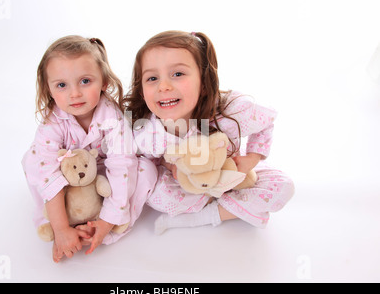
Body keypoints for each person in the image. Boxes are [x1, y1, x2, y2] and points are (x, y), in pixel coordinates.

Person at [121, 30, 294, 234]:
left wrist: (251, 159)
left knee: (284, 186)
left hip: (232, 175)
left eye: (177, 74)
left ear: (203, 83)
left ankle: (208, 215)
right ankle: (216, 204)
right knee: (157, 194)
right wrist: (172, 165)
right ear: (142, 90)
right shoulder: (149, 131)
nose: (164, 86)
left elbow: (266, 123)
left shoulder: (229, 111)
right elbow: (150, 159)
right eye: (152, 78)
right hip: (193, 186)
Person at [22, 35, 156, 262]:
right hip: (68, 183)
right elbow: (48, 176)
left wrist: (106, 220)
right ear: (50, 88)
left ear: (103, 81)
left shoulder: (112, 118)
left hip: (100, 179)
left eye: (85, 81)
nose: (74, 93)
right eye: (62, 85)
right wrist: (62, 229)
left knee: (146, 169)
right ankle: (56, 224)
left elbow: (122, 166)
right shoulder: (52, 123)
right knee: (31, 159)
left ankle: (111, 224)